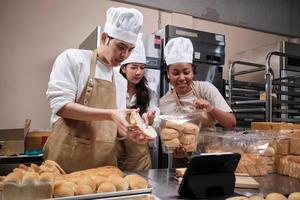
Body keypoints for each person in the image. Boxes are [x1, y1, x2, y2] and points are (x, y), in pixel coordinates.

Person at [43, 7, 152, 173]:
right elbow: (61, 106)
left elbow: (117, 128)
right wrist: (110, 114)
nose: (124, 55)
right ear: (104, 38)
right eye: (121, 46)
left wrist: (133, 133)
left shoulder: (120, 81)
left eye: (130, 49)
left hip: (103, 167)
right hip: (65, 162)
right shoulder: (73, 59)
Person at [159, 37, 236, 166]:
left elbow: (231, 123)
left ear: (193, 71)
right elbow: (173, 143)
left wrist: (211, 108)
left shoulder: (206, 89)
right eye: (175, 73)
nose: (182, 78)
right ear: (168, 73)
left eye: (186, 72)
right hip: (184, 164)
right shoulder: (164, 102)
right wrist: (179, 155)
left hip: (213, 157)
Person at [117, 34, 159, 171]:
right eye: (134, 67)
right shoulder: (113, 90)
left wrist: (151, 119)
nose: (138, 72)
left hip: (139, 157)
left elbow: (156, 120)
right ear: (123, 68)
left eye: (142, 67)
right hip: (114, 151)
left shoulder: (150, 94)